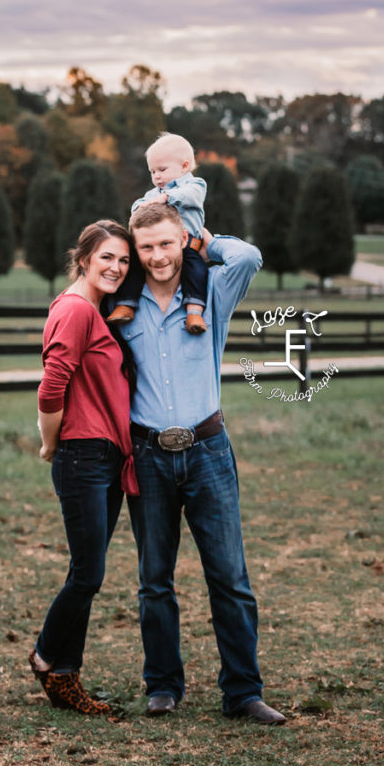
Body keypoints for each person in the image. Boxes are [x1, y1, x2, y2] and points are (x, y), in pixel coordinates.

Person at [121, 202, 286, 724]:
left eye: (166, 244)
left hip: (207, 451)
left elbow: (249, 256)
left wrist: (203, 241)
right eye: (146, 247)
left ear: (181, 240)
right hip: (147, 454)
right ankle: (163, 685)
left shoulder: (210, 294)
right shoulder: (122, 304)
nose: (157, 256)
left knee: (230, 577)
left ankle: (243, 692)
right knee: (154, 578)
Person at [29, 219, 138, 716]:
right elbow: (51, 387)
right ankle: (45, 656)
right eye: (107, 257)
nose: (116, 267)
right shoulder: (75, 310)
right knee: (89, 573)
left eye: (123, 260)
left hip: (104, 456)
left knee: (85, 570)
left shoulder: (94, 310)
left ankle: (66, 679)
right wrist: (51, 443)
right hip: (82, 456)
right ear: (84, 259)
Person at [107, 133, 209, 335]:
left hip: (189, 246)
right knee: (135, 265)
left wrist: (166, 198)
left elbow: (189, 196)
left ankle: (194, 311)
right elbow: (139, 205)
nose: (157, 176)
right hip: (158, 244)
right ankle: (126, 304)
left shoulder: (194, 186)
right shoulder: (153, 193)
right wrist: (141, 207)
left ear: (185, 166)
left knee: (197, 272)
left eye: (162, 170)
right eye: (152, 171)